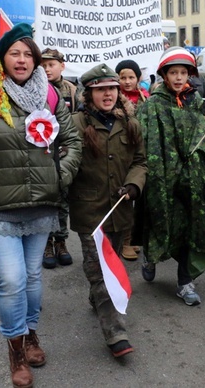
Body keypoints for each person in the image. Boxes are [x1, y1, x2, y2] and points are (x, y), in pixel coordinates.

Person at [0, 23, 82, 388]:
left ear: (36, 60)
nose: (21, 60)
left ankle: (31, 332)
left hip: (41, 203)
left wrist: (59, 174)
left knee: (34, 278)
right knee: (12, 279)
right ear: (2, 58)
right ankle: (16, 350)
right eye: (14, 53)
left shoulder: (51, 95)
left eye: (28, 54)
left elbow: (73, 141)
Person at [68, 63, 147, 358]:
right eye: (101, 89)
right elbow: (65, 161)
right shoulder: (75, 124)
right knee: (102, 271)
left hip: (120, 210)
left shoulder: (130, 123)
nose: (108, 94)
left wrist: (133, 185)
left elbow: (140, 161)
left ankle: (96, 296)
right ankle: (116, 332)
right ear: (89, 94)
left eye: (112, 88)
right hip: (90, 211)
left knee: (105, 266)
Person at [136, 47, 205, 307]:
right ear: (164, 74)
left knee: (191, 229)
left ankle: (185, 282)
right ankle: (151, 256)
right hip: (163, 182)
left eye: (183, 73)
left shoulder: (196, 103)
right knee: (159, 221)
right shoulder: (152, 105)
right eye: (174, 72)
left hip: (193, 183)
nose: (179, 77)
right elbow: (145, 142)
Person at [39, 48, 82, 269]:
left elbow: (79, 119)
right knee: (46, 201)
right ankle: (45, 243)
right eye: (43, 65)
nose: (47, 69)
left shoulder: (72, 90)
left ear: (62, 66)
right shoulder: (35, 89)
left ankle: (61, 241)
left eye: (51, 65)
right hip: (42, 153)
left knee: (63, 201)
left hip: (63, 153)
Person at [114, 59, 150, 261]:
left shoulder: (146, 100)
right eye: (123, 77)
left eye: (131, 77)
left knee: (140, 198)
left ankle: (134, 238)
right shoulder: (114, 99)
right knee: (125, 198)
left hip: (141, 153)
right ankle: (125, 241)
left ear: (138, 78)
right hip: (121, 153)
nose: (127, 82)